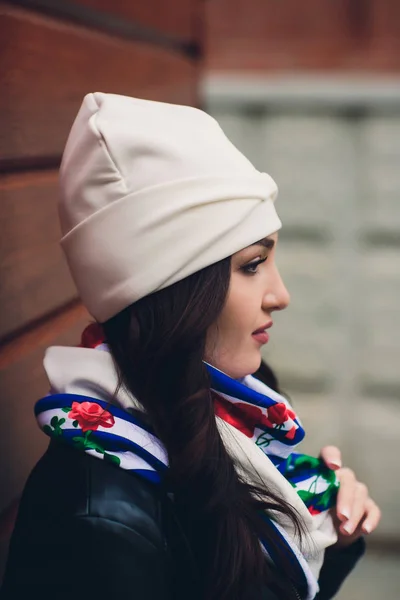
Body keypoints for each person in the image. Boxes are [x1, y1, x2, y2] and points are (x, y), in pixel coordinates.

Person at [1, 93, 380, 600]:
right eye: (252, 264)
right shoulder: (99, 525)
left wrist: (331, 540)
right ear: (174, 290)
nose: (281, 295)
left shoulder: (223, 419)